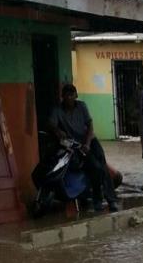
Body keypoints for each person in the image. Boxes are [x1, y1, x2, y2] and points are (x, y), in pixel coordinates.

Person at [47, 84, 119, 212]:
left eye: (71, 94)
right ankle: (97, 200)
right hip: (74, 145)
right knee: (95, 168)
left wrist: (87, 144)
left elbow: (90, 126)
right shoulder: (58, 110)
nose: (69, 98)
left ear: (76, 95)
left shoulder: (82, 106)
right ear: (62, 96)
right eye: (66, 95)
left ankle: (111, 200)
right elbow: (51, 124)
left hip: (90, 140)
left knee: (102, 165)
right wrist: (58, 131)